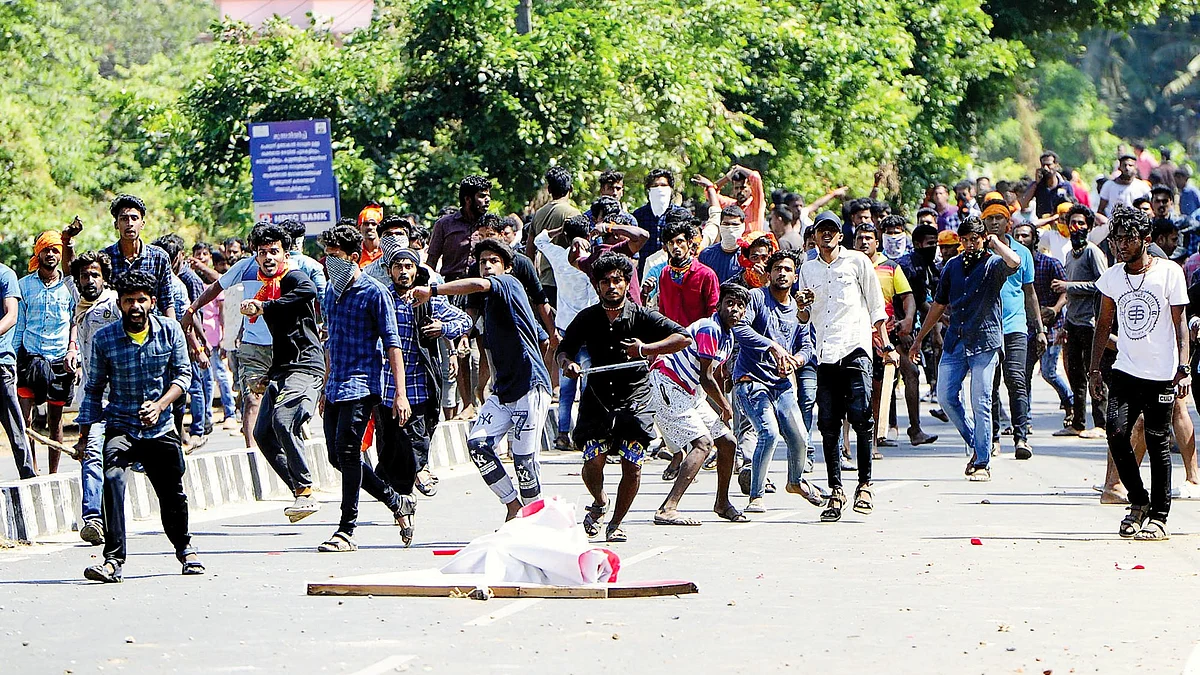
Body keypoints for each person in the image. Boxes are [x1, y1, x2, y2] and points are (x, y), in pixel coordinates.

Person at [411, 237, 552, 522]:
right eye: (482, 261)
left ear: (507, 267)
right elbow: (542, 338)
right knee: (478, 444)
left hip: (529, 387)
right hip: (503, 390)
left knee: (524, 461)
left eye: (493, 262)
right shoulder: (492, 304)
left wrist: (432, 291)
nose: (487, 266)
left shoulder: (509, 284)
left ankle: (535, 519)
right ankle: (513, 507)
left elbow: (477, 285)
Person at [78, 270, 202, 583]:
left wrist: (160, 405)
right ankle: (112, 560)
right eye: (128, 301)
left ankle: (185, 549)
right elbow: (94, 388)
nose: (135, 306)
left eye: (141, 300)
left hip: (160, 429)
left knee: (172, 492)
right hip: (122, 427)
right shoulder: (105, 338)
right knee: (112, 479)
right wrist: (83, 435)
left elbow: (183, 377)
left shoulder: (170, 330)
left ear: (152, 302)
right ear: (119, 304)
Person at [557, 252, 691, 542]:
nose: (611, 286)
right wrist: (568, 364)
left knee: (632, 465)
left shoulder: (643, 316)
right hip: (597, 398)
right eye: (605, 281)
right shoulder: (587, 318)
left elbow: (682, 337)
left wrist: (645, 349)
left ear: (626, 283)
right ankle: (600, 500)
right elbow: (563, 349)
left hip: (636, 401)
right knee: (593, 461)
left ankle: (616, 523)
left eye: (617, 280)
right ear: (597, 286)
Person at [1090, 205, 1189, 541]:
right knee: (1116, 432)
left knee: (1158, 441)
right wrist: (1093, 370)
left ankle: (1159, 517)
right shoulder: (1112, 277)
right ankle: (1139, 501)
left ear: (1145, 239)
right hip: (1125, 371)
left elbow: (1181, 326)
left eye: (1128, 238)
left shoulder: (1170, 272)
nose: (1121, 245)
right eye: (1117, 238)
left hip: (1161, 373)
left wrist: (1184, 367)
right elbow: (1103, 324)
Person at [316, 224, 412, 553]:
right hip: (336, 383)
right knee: (337, 456)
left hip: (363, 382)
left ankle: (346, 529)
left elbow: (393, 345)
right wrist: (324, 384)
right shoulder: (330, 291)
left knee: (347, 451)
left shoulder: (375, 293)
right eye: (326, 258)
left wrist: (399, 394)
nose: (329, 264)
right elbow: (331, 340)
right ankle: (394, 499)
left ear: (354, 258)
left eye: (335, 258)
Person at [909, 217, 1021, 482]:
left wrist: (995, 243)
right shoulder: (952, 266)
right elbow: (938, 304)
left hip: (985, 341)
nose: (971, 245)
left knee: (980, 400)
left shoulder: (993, 264)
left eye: (975, 239)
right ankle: (976, 442)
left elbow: (1014, 262)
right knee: (946, 397)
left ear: (983, 239)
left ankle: (982, 461)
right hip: (956, 340)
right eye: (966, 240)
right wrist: (919, 338)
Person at [796, 211, 892, 521]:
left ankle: (864, 484)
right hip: (824, 352)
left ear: (840, 235)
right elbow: (804, 317)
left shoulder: (858, 262)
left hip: (856, 347)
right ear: (815, 236)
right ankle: (835, 490)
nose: (826, 235)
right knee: (828, 424)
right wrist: (802, 306)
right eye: (821, 230)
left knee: (862, 417)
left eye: (832, 230)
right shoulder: (807, 270)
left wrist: (885, 344)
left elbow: (876, 306)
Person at [233, 223, 327, 524]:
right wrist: (267, 376)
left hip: (306, 365)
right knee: (262, 433)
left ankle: (305, 488)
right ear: (255, 257)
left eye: (274, 251)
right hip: (282, 369)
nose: (268, 257)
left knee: (282, 420)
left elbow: (308, 290)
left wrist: (264, 307)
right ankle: (300, 490)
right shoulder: (265, 286)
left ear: (285, 253)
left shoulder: (292, 277)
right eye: (262, 253)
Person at [380, 248, 471, 544]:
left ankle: (420, 471)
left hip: (420, 388)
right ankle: (403, 512)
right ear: (389, 270)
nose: (403, 272)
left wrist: (443, 328)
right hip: (385, 390)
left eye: (408, 266)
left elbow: (464, 321)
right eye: (398, 267)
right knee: (390, 457)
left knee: (415, 443)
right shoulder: (381, 300)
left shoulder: (428, 300)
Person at [649, 281, 750, 526]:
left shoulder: (728, 336)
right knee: (703, 444)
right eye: (730, 304)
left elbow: (715, 374)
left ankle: (722, 503)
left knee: (727, 442)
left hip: (691, 392)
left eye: (740, 306)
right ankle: (668, 508)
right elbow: (706, 377)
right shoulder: (709, 328)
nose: (734, 310)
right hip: (669, 384)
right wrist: (725, 406)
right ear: (719, 305)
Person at [730, 250, 824, 513]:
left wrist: (796, 360)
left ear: (795, 276)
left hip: (780, 383)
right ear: (769, 274)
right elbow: (740, 327)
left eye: (787, 269)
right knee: (768, 433)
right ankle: (756, 496)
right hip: (750, 380)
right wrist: (772, 347)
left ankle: (795, 482)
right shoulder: (757, 298)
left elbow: (807, 345)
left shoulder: (798, 309)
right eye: (777, 269)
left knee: (800, 437)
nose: (782, 273)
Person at [980, 193, 1044, 459]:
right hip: (988, 327)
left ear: (1008, 223)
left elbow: (1029, 292)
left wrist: (1039, 328)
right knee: (990, 384)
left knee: (1016, 380)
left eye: (999, 218)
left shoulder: (1022, 253)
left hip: (1016, 325)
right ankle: (993, 437)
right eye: (989, 219)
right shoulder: (978, 253)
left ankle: (1021, 436)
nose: (994, 223)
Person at [535, 214, 599, 451]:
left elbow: (540, 240)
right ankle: (583, 434)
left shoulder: (560, 256)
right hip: (589, 328)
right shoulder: (593, 260)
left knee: (566, 386)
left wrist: (559, 230)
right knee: (587, 386)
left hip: (565, 328)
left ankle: (563, 434)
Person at [17, 230, 78, 476]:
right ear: (38, 253)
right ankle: (31, 470)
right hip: (30, 359)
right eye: (46, 249)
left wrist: (72, 349)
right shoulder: (23, 286)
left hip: (59, 361)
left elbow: (75, 320)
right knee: (26, 421)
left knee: (55, 422)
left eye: (55, 250)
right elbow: (19, 324)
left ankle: (53, 474)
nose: (51, 254)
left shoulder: (69, 287)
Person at [69, 251, 120, 545]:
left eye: (95, 275)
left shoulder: (112, 304)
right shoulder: (79, 307)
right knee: (91, 453)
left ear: (104, 277)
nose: (90, 280)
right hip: (93, 396)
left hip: (123, 395)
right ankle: (92, 519)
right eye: (84, 276)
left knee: (119, 459)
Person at [1052, 204, 1109, 439]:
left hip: (1091, 322)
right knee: (1074, 374)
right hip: (1073, 322)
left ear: (1088, 227)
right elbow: (1070, 295)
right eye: (1072, 223)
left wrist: (1070, 286)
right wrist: (1064, 323)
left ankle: (1101, 423)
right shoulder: (1069, 254)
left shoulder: (1093, 252)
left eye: (1081, 224)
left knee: (1094, 371)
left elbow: (1103, 284)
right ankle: (1077, 422)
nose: (1076, 228)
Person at [1011, 223, 1074, 426]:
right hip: (1024, 326)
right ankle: (1024, 419)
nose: (1021, 240)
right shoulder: (1011, 265)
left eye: (1025, 236)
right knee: (1023, 374)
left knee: (1048, 371)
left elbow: (1066, 292)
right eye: (1017, 236)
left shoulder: (1050, 264)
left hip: (1052, 326)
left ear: (1034, 239)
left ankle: (1069, 402)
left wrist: (1055, 310)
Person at [102, 195, 176, 319]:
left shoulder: (159, 257)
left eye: (134, 218)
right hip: (115, 327)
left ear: (142, 224)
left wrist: (172, 332)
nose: (129, 224)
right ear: (116, 224)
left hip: (151, 328)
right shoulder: (105, 258)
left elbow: (167, 301)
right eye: (124, 219)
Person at [525, 166, 580, 307]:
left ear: (549, 190)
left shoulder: (538, 214)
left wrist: (533, 279)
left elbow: (529, 250)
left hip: (545, 280)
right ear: (571, 189)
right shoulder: (573, 214)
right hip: (567, 281)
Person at [0, 254, 34, 480]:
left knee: (14, 426)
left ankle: (28, 476)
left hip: (1, 362)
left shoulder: (5, 275)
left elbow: (11, 316)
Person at [631, 168, 675, 273]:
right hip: (644, 271)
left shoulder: (680, 215)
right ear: (648, 190)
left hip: (673, 271)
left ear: (671, 189)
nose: (659, 189)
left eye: (663, 185)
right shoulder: (639, 215)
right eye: (655, 186)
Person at [698, 205, 750, 284]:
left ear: (743, 226)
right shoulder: (706, 254)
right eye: (726, 224)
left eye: (735, 224)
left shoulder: (748, 256)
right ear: (720, 225)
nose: (730, 228)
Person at [1019, 151, 1076, 216]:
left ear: (1056, 165)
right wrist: (1036, 184)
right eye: (1043, 165)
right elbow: (1023, 204)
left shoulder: (1065, 185)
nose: (1045, 168)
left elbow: (1073, 207)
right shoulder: (1037, 185)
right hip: (1042, 223)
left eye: (1049, 165)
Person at [1098, 153, 1152, 218]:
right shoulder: (1109, 185)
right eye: (1124, 165)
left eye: (1130, 165)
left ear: (1135, 167)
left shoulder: (1142, 187)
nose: (1127, 168)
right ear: (1119, 167)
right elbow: (1100, 210)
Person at [357, 202, 385, 268]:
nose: (370, 227)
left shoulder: (386, 251)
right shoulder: (355, 252)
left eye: (374, 224)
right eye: (366, 224)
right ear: (359, 228)